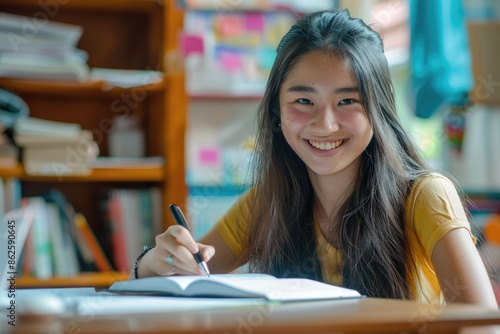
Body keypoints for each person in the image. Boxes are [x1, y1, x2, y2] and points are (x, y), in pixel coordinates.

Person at [132, 9, 497, 307]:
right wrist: (157, 260)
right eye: (304, 101)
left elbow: (480, 323)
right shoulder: (268, 201)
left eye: (348, 101)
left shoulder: (424, 196)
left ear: (379, 111)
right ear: (276, 111)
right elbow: (192, 277)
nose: (325, 124)